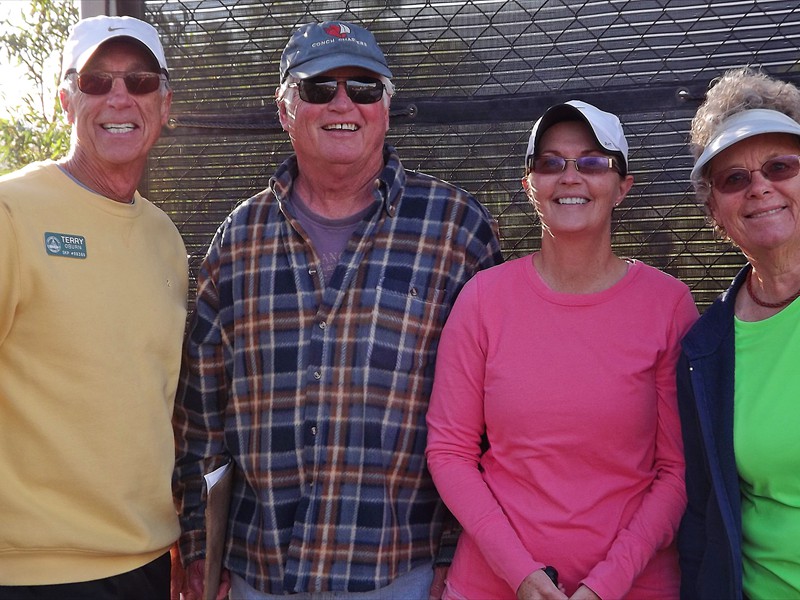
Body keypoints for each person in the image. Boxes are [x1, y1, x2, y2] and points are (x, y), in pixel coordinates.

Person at [172, 20, 503, 599]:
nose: (343, 103)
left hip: (403, 573)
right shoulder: (239, 240)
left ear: (387, 105)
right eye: (319, 88)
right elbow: (202, 415)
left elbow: (494, 414)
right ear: (284, 110)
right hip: (258, 573)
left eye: (365, 88)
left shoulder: (455, 228)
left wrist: (464, 549)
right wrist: (203, 550)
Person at [425, 100, 699, 600]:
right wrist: (523, 576)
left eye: (593, 162)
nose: (570, 177)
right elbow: (450, 452)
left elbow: (677, 470)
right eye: (551, 163)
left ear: (623, 187)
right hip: (493, 585)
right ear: (530, 186)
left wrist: (604, 585)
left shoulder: (669, 306)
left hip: (636, 586)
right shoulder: (484, 300)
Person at [0, 15, 187, 600]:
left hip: (148, 562)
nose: (120, 97)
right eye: (97, 81)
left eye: (139, 80)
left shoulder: (166, 239)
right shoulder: (12, 214)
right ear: (65, 99)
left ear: (164, 103)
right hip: (33, 574)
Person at [677, 67, 800, 600]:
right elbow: (705, 512)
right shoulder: (705, 348)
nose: (760, 187)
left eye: (781, 166)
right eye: (734, 179)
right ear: (716, 213)